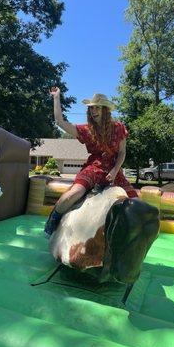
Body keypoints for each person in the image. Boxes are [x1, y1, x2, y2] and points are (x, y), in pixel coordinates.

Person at [44, 86, 138, 238]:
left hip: (114, 169)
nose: (93, 111)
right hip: (94, 167)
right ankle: (52, 221)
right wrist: (56, 97)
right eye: (91, 108)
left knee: (135, 204)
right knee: (73, 194)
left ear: (105, 110)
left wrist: (115, 171)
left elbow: (122, 152)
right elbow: (60, 122)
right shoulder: (86, 130)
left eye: (97, 108)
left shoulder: (119, 128)